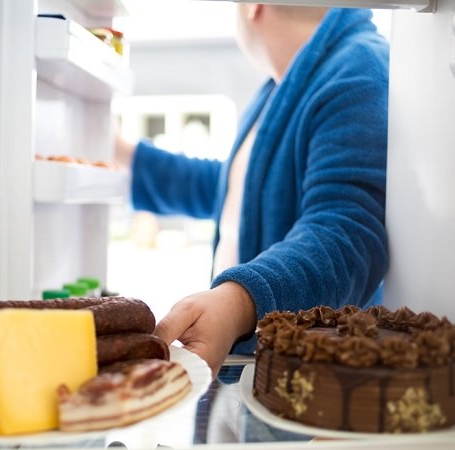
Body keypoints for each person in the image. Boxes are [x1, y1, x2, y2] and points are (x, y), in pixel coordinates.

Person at [115, 5, 389, 378]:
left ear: (253, 6)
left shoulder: (360, 71)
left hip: (313, 389)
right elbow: (239, 194)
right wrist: (128, 157)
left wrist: (239, 301)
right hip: (257, 370)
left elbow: (346, 232)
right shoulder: (280, 86)